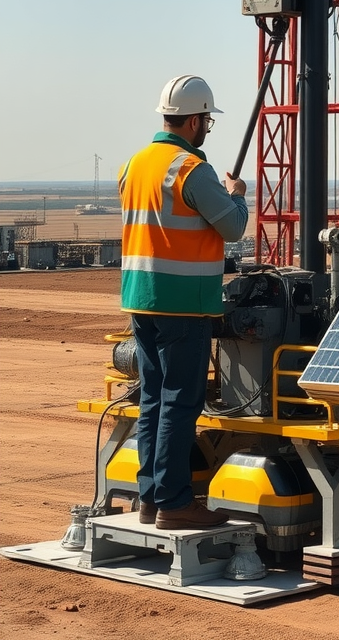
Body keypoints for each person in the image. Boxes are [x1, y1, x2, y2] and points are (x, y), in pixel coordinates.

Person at [119, 75, 248, 530]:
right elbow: (231, 227)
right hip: (183, 303)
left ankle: (151, 498)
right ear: (193, 120)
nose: (206, 129)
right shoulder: (190, 169)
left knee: (153, 399)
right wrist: (237, 195)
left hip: (141, 298)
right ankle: (175, 502)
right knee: (180, 401)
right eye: (207, 123)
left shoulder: (135, 164)